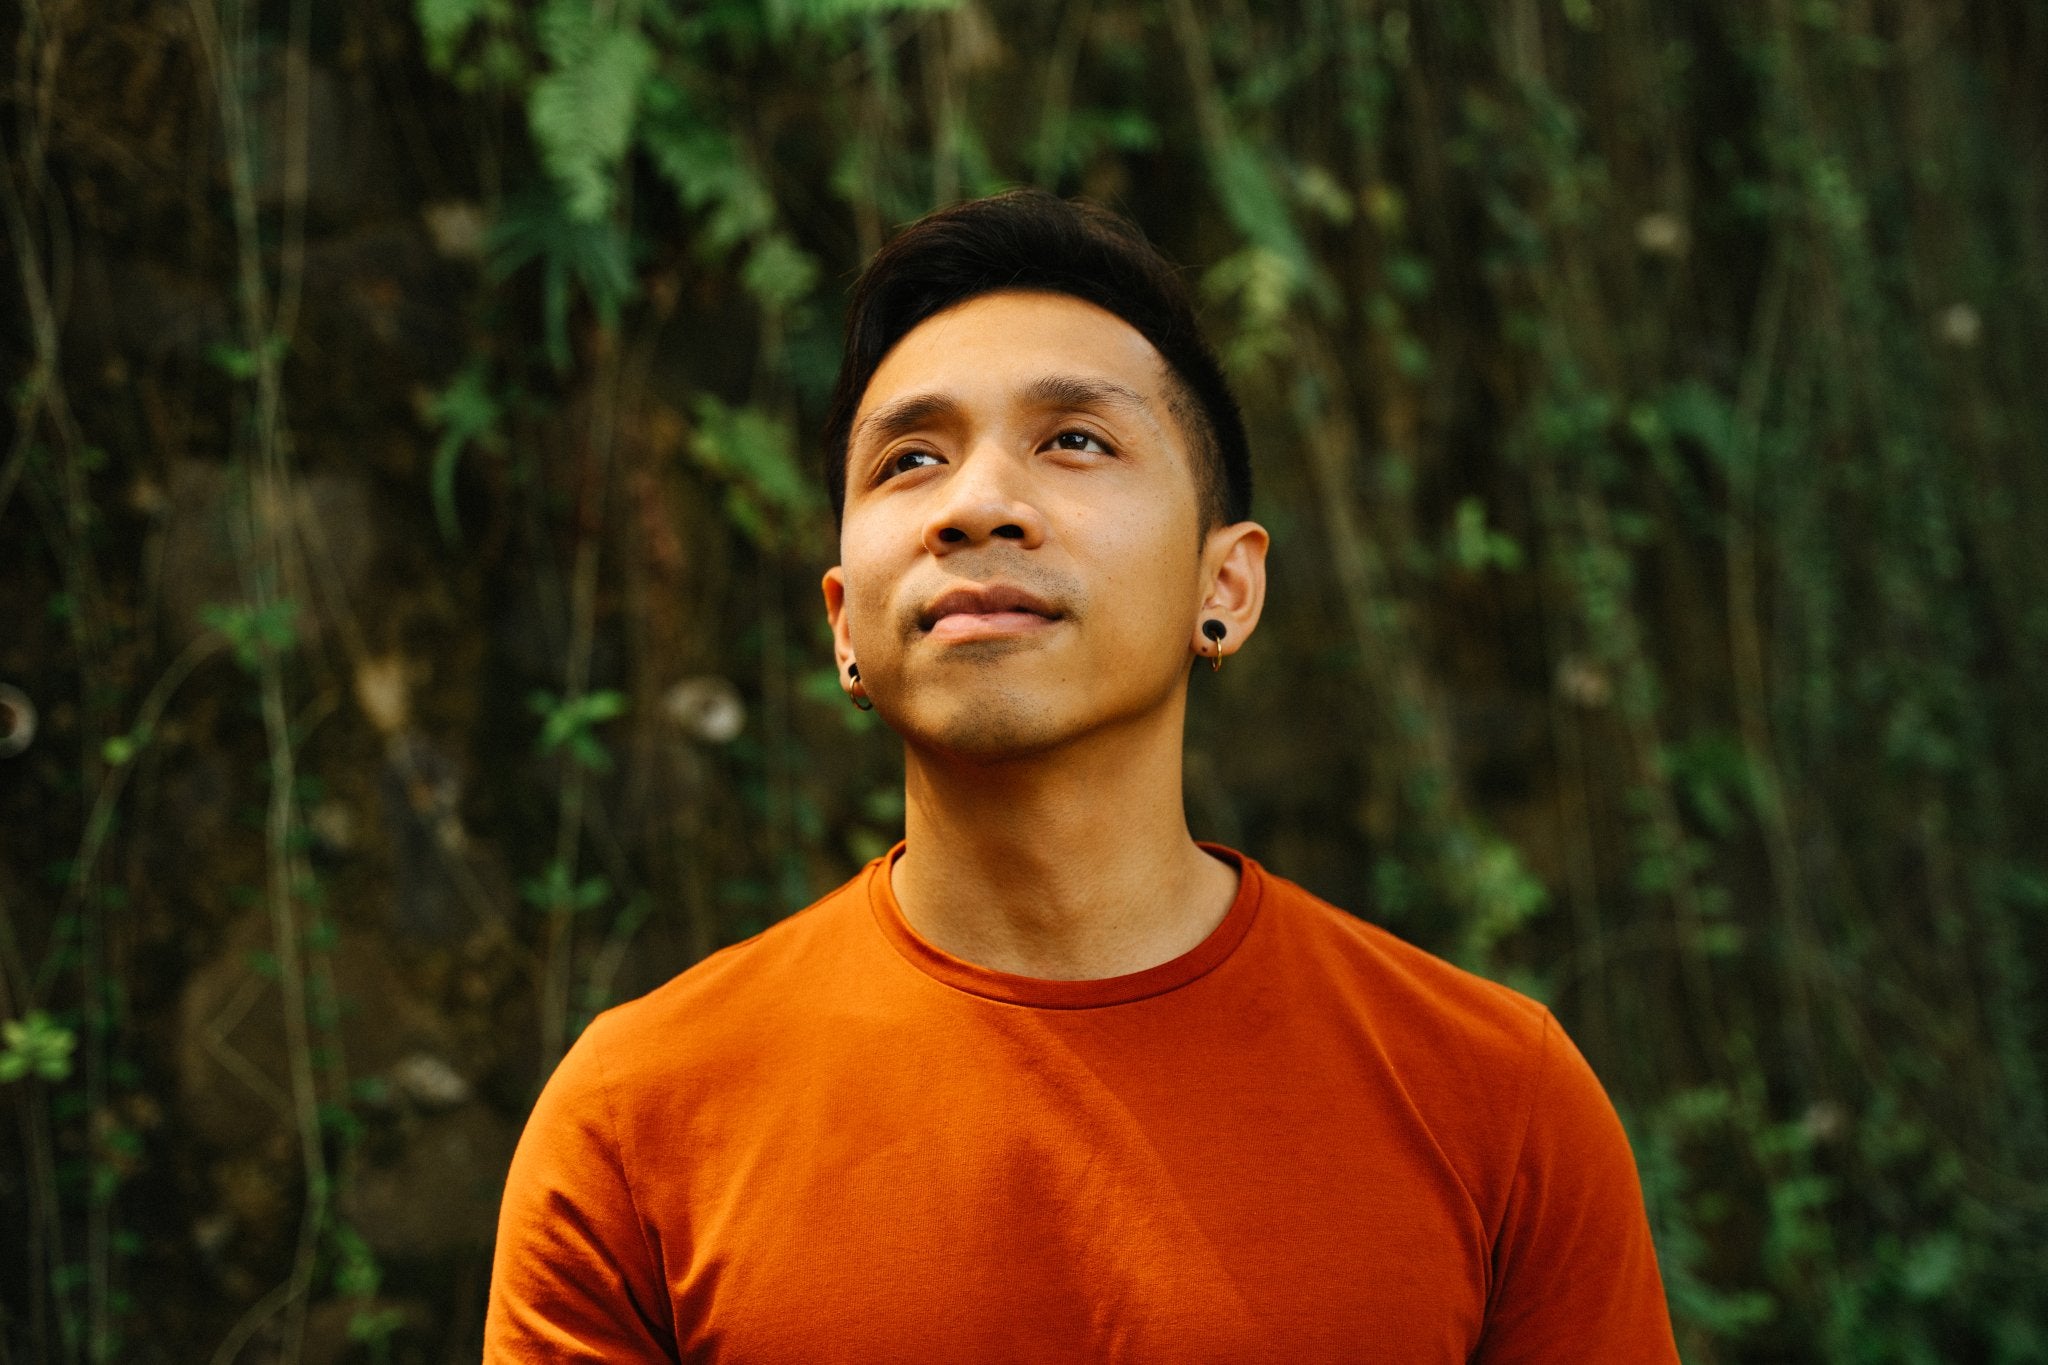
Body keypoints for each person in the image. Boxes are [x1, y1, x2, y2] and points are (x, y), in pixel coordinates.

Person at [484, 190, 1679, 1362]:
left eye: (1073, 441)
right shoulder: (642, 1120)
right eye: (908, 459)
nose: (977, 505)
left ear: (1227, 587)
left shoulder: (1491, 1101)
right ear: (842, 624)